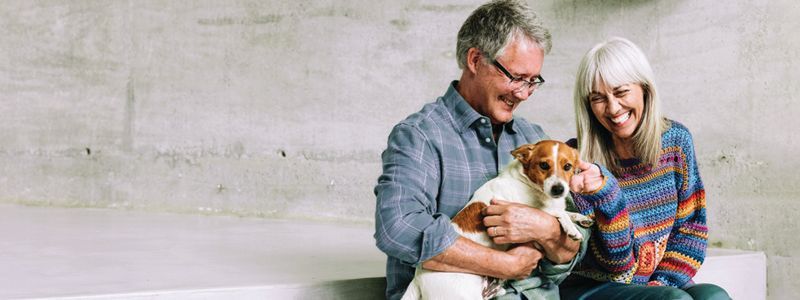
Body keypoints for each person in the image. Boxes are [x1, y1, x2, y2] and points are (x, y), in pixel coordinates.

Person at [373, 1, 591, 299]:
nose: (524, 93)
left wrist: (548, 231)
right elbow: (398, 229)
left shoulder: (535, 140)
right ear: (475, 60)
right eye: (516, 77)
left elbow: (572, 250)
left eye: (533, 81)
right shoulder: (419, 136)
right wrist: (504, 264)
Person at [562, 37, 730, 300]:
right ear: (588, 106)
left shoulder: (675, 142)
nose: (613, 108)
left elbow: (690, 231)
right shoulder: (577, 163)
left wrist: (661, 283)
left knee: (713, 296)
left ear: (644, 88)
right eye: (598, 98)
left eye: (620, 92)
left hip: (653, 284)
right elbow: (616, 265)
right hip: (592, 286)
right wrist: (606, 194)